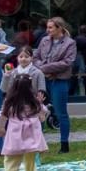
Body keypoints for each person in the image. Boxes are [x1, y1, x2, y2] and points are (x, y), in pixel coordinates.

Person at [0, 75, 48, 171]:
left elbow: (2, 116)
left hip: (15, 137)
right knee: (30, 161)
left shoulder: (10, 102)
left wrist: (0, 129)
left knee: (11, 161)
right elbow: (42, 116)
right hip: (32, 136)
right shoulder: (35, 102)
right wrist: (41, 103)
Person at [34, 18, 77, 152]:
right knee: (38, 109)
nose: (48, 30)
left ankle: (64, 143)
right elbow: (36, 57)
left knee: (60, 112)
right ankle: (37, 142)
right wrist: (41, 67)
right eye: (47, 27)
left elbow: (66, 63)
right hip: (43, 80)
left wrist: (45, 68)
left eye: (51, 27)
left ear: (60, 28)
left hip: (59, 80)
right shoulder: (44, 40)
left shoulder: (70, 43)